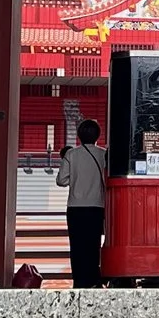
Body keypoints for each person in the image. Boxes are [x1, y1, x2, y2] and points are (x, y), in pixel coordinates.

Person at [59, 117, 108, 288]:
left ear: (79, 135)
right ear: (97, 136)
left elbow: (61, 180)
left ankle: (79, 281)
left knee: (77, 245)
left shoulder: (71, 154)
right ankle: (94, 279)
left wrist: (74, 178)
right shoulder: (103, 154)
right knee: (93, 244)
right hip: (96, 206)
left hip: (75, 207)